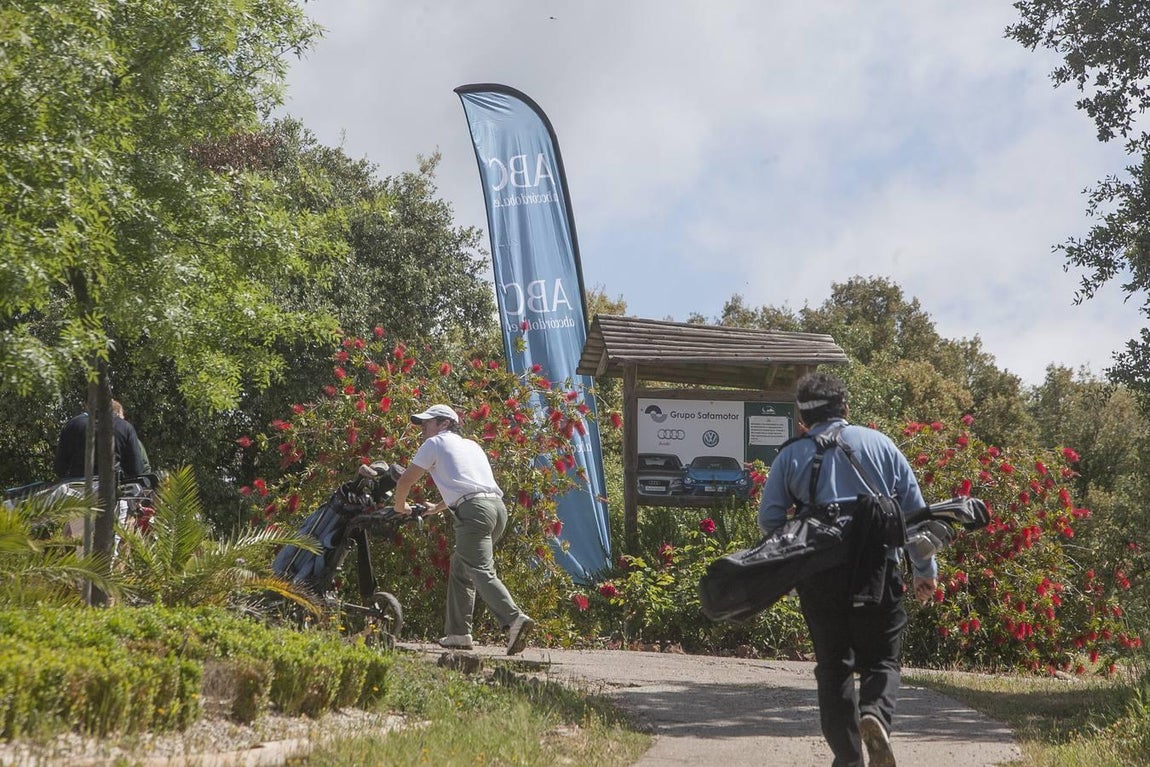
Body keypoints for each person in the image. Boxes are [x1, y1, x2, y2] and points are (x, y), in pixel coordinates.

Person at [757, 373, 937, 767]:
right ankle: (874, 713)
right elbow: (914, 519)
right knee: (882, 661)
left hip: (819, 577)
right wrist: (924, 568)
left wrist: (790, 562)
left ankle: (849, 757)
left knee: (833, 667)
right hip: (878, 573)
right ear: (846, 409)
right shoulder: (881, 446)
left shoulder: (791, 455)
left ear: (802, 420)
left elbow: (770, 519)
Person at [372, 403, 536, 656]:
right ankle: (458, 634)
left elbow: (405, 479)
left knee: (480, 568)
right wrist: (437, 508)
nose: (423, 428)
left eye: (428, 422)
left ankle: (514, 619)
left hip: (474, 513)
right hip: (496, 510)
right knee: (461, 566)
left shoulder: (435, 443)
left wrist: (399, 505)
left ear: (445, 423)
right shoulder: (472, 445)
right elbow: (471, 484)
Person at [55, 399, 148, 480]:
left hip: (77, 491)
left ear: (86, 404)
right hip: (113, 489)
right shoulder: (125, 427)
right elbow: (136, 470)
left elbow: (60, 468)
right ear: (110, 402)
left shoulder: (72, 425)